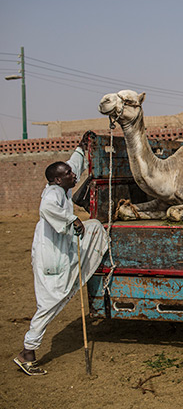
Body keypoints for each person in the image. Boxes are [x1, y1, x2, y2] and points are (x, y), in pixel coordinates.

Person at [14, 131, 109, 376]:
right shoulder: (53, 194)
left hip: (61, 247)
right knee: (49, 303)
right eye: (68, 174)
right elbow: (47, 208)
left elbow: (74, 164)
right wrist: (71, 219)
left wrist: (81, 147)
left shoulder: (62, 187)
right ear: (57, 180)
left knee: (96, 227)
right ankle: (28, 352)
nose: (73, 175)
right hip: (51, 256)